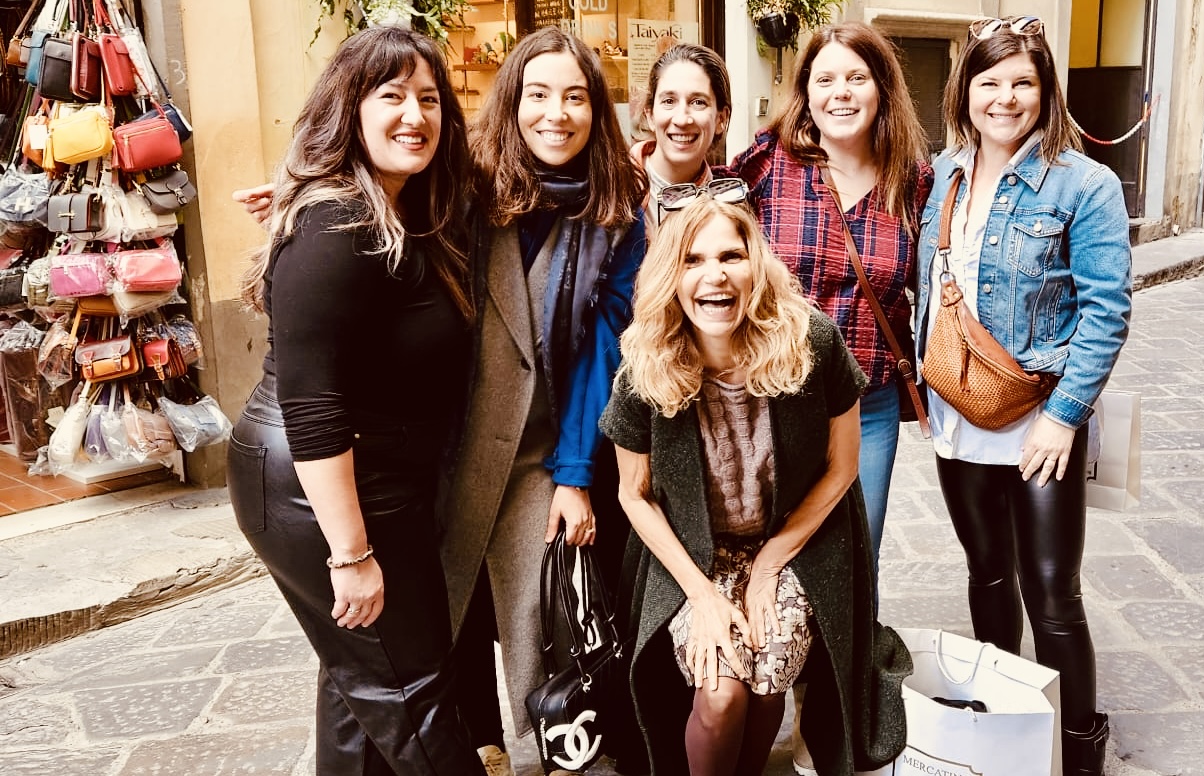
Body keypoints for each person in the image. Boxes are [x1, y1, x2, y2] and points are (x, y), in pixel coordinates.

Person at [225, 26, 482, 775]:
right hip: (320, 492)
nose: (415, 116)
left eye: (430, 99)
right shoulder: (336, 222)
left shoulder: (400, 209)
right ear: (351, 109)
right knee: (415, 691)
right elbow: (312, 406)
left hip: (376, 482)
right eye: (391, 96)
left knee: (361, 688)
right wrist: (350, 554)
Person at [600, 197, 906, 776]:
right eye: (693, 260)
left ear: (755, 265)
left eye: (731, 256)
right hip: (692, 557)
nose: (714, 275)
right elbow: (632, 494)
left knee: (768, 678)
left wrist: (768, 565)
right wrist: (703, 595)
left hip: (789, 545)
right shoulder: (646, 362)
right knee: (721, 695)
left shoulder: (809, 340)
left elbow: (843, 466)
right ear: (672, 277)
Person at [915, 16, 1131, 776]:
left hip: (1039, 416)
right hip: (956, 409)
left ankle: (1076, 750)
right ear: (964, 90)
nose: (1004, 98)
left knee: (1050, 588)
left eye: (1021, 83)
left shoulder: (1083, 182)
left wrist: (1064, 417)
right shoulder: (942, 173)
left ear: (1044, 92)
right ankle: (1005, 717)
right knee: (985, 569)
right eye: (989, 81)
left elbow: (1107, 310)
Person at [436, 26, 646, 776]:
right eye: (539, 94)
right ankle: (470, 750)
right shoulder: (463, 189)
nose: (555, 113)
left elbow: (604, 354)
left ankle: (556, 758)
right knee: (443, 620)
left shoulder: (618, 214)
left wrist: (573, 474)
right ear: (512, 101)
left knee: (537, 621)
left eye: (575, 96)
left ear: (597, 110)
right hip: (449, 447)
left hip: (540, 453)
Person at [727, 21, 934, 570]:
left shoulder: (913, 182)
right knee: (776, 560)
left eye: (857, 77)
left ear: (882, 89)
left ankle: (858, 658)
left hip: (869, 405)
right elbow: (702, 217)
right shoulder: (769, 165)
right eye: (825, 80)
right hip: (775, 399)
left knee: (857, 557)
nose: (840, 93)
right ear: (807, 93)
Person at [630, 43, 732, 234]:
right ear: (650, 115)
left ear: (721, 118)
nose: (682, 119)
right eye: (669, 101)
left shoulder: (729, 202)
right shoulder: (613, 189)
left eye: (698, 102)